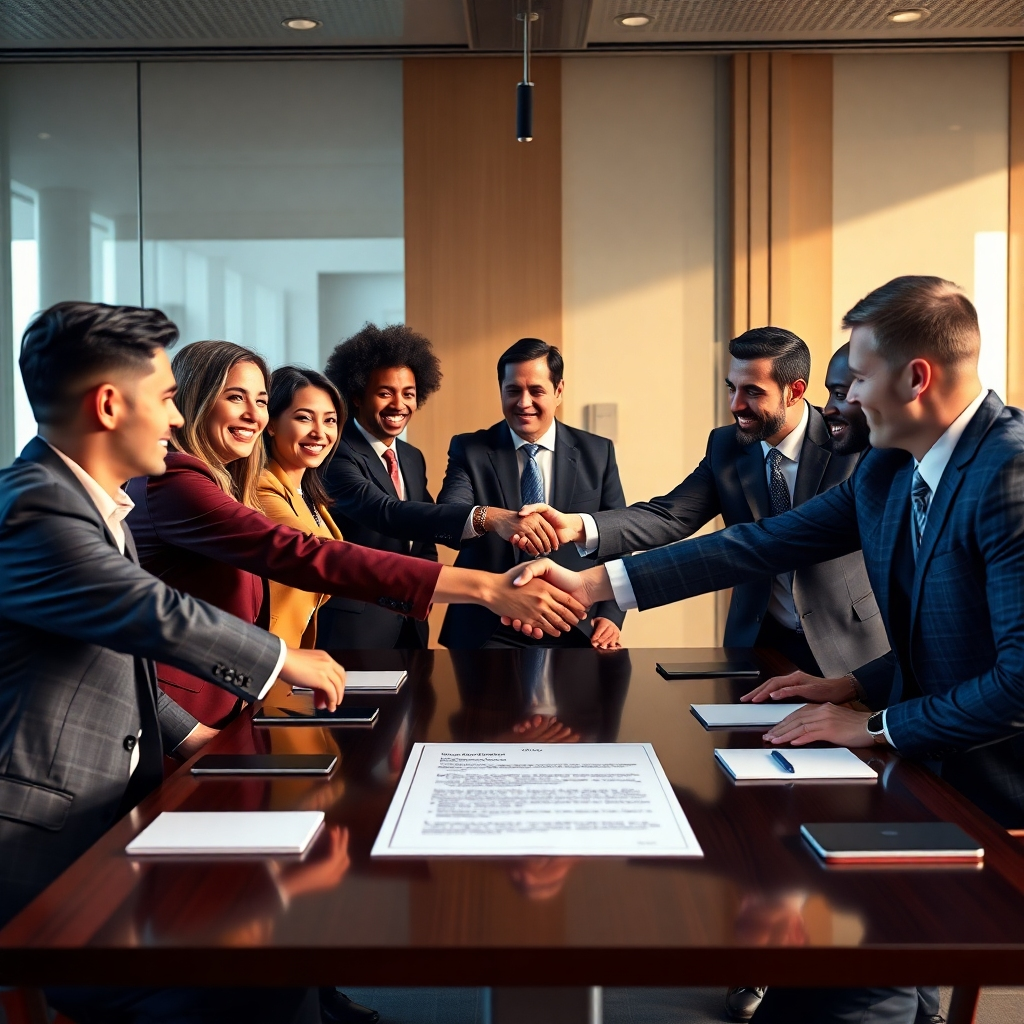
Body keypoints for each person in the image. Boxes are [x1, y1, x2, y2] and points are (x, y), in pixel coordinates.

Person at [512, 275, 1017, 1024]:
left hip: (986, 791)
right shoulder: (889, 466)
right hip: (917, 769)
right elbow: (760, 543)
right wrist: (593, 587)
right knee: (847, 959)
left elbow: (1015, 683)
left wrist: (874, 723)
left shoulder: (1008, 473)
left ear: (917, 377)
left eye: (859, 378)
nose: (844, 400)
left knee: (847, 983)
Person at [0, 301, 353, 1022]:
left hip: (110, 821)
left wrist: (194, 736)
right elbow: (152, 616)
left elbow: (115, 659)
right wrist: (284, 658)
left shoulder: (95, 505)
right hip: (46, 857)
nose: (173, 418)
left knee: (281, 940)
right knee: (265, 969)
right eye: (165, 398)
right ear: (108, 404)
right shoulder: (35, 507)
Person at [125, 339, 586, 727]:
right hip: (193, 707)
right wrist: (486, 587)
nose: (252, 415)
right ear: (193, 400)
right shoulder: (178, 480)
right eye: (235, 397)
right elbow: (308, 555)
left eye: (260, 400)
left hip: (237, 695)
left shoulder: (230, 484)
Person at [515, 327, 888, 678]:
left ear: (795, 391)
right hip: (759, 641)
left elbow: (763, 543)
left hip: (849, 645)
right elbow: (669, 515)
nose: (735, 404)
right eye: (731, 388)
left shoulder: (853, 445)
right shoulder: (726, 446)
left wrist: (595, 584)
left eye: (753, 392)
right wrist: (577, 526)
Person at [437, 337, 627, 649]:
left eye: (536, 390)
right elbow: (448, 518)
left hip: (574, 623)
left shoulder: (597, 452)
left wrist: (610, 613)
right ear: (501, 390)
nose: (524, 402)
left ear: (559, 391)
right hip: (486, 627)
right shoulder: (469, 449)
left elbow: (617, 538)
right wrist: (494, 518)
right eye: (513, 390)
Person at [258, 365, 345, 648]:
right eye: (304, 418)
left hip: (290, 651)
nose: (320, 433)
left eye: (330, 421)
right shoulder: (261, 486)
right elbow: (320, 553)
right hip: (259, 653)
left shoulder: (311, 497)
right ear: (271, 424)